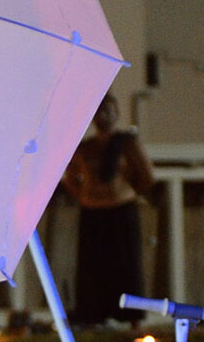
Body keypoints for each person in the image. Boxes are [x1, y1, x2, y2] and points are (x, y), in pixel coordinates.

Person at [62, 95, 155, 324]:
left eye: (109, 110)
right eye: (99, 111)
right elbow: (70, 175)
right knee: (94, 267)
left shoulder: (126, 143)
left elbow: (146, 176)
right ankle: (94, 316)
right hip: (93, 211)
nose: (104, 116)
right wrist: (84, 195)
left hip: (121, 210)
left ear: (117, 114)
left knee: (125, 265)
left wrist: (127, 192)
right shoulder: (85, 148)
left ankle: (131, 316)